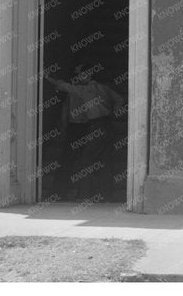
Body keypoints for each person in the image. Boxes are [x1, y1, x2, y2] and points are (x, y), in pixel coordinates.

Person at [48, 63, 125, 201]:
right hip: (108, 125)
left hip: (97, 126)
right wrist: (114, 113)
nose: (79, 77)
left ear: (88, 75)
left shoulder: (84, 90)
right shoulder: (104, 88)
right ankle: (106, 195)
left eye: (82, 74)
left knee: (86, 161)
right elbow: (120, 99)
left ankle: (85, 195)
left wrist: (48, 78)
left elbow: (64, 86)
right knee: (105, 161)